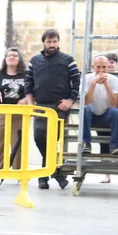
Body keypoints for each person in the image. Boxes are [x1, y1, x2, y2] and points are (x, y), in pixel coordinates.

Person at [24, 29, 78, 189]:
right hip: (40, 106)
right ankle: (55, 172)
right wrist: (30, 103)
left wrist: (70, 101)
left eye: (54, 41)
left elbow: (76, 82)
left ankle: (43, 176)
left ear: (58, 42)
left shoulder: (68, 60)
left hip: (59, 106)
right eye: (49, 41)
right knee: (39, 137)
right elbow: (28, 84)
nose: (52, 44)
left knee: (52, 140)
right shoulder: (34, 61)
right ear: (43, 43)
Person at [0, 47, 28, 171]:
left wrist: (25, 99)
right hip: (1, 112)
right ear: (5, 59)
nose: (11, 57)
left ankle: (19, 172)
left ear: (19, 59)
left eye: (15, 55)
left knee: (18, 143)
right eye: (9, 55)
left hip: (19, 114)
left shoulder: (26, 75)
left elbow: (33, 91)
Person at [81, 55, 118, 155]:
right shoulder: (86, 78)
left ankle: (114, 145)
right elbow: (86, 102)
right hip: (89, 116)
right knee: (85, 109)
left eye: (104, 67)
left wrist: (106, 85)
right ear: (93, 67)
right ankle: (86, 143)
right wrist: (93, 84)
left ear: (107, 67)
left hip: (106, 115)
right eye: (98, 67)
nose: (101, 70)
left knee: (116, 111)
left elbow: (114, 104)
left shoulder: (114, 80)